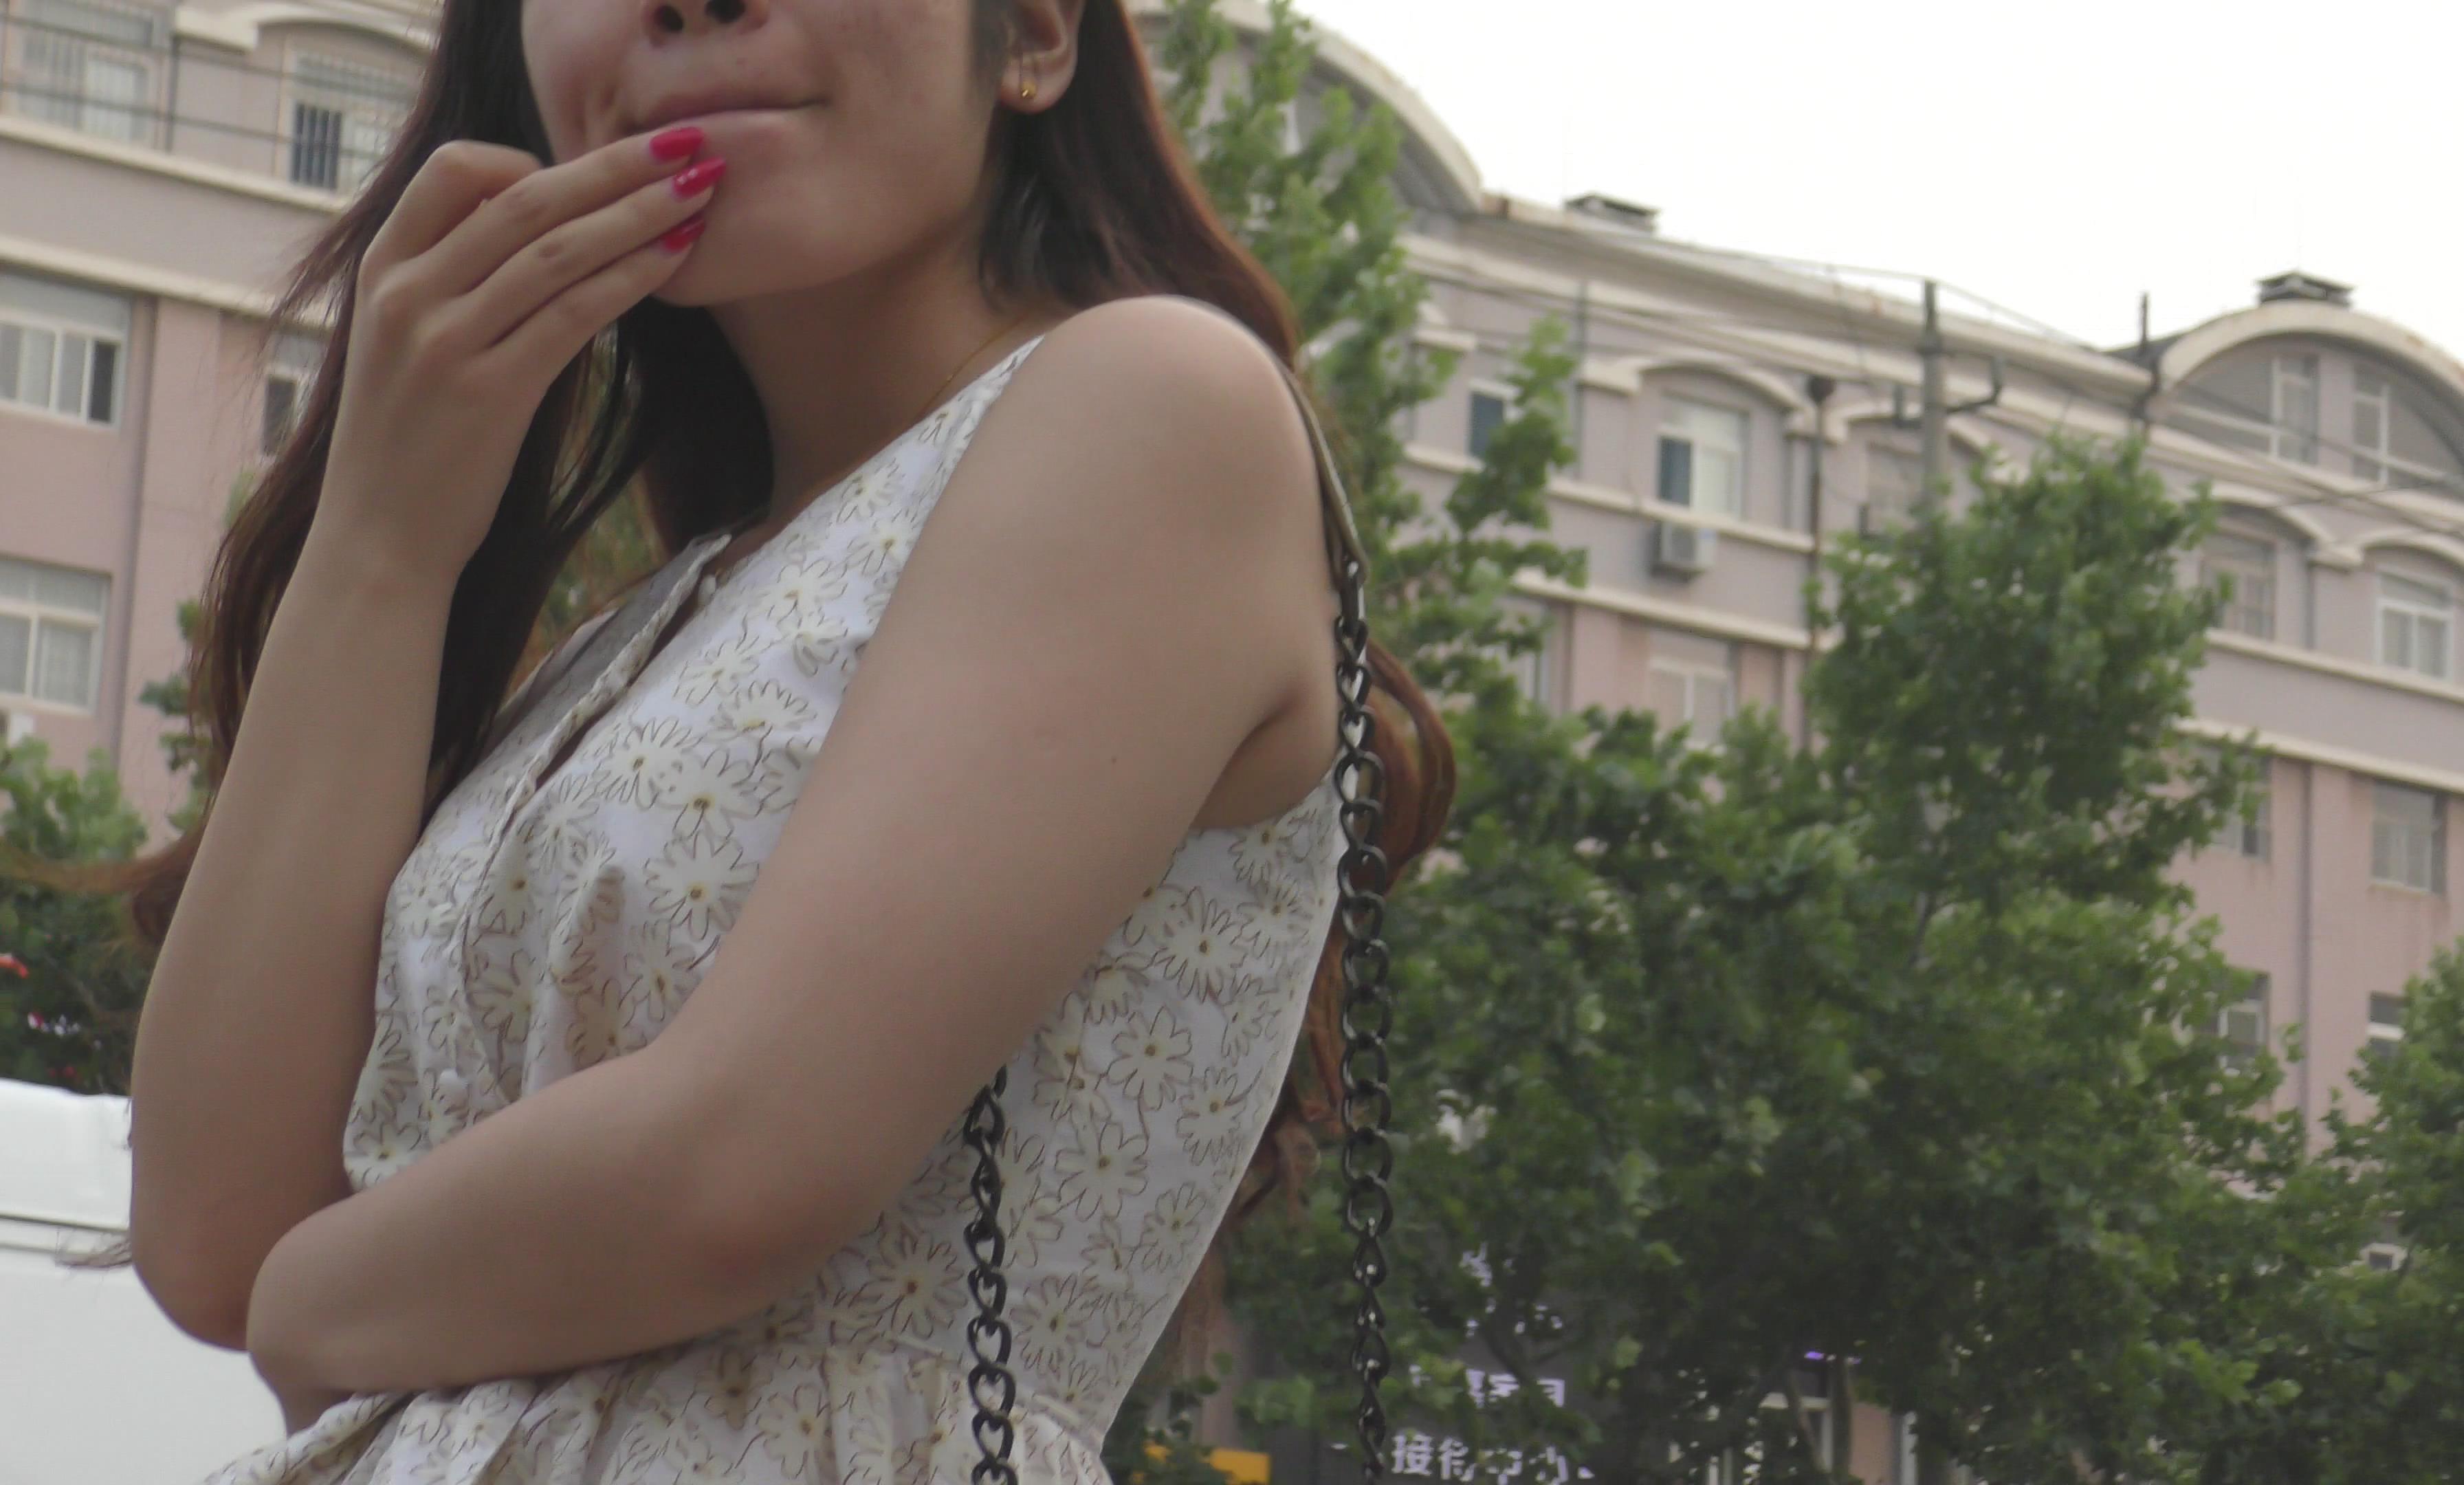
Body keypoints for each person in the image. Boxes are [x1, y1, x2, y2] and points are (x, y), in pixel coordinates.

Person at [82, 0, 1454, 1477]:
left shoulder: (1158, 403)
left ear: (1034, 37)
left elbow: (729, 1172)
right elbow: (213, 1238)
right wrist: (381, 540)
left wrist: (310, 1302)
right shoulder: (647, 631)